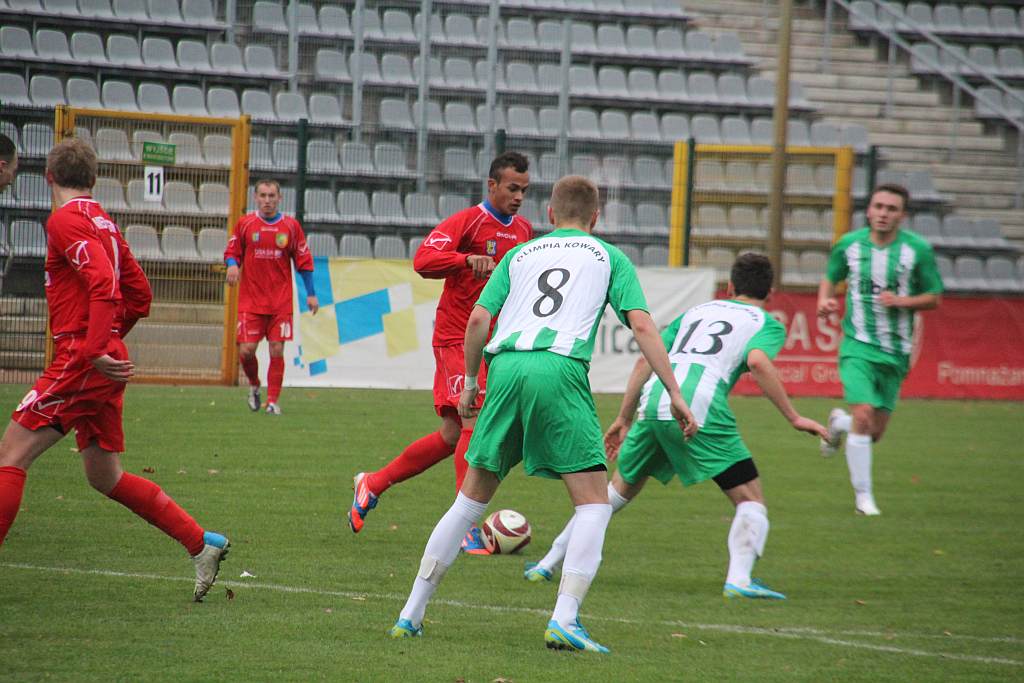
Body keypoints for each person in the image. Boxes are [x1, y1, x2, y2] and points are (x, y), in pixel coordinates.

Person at [388, 175, 697, 653]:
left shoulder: (520, 253)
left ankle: (410, 614)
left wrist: (470, 382)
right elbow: (641, 325)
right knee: (593, 504)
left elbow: (478, 319)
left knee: (469, 502)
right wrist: (673, 391)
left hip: (505, 368)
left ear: (549, 215)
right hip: (559, 368)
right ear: (596, 217)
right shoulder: (608, 256)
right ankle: (565, 619)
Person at [524, 253, 829, 601]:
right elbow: (758, 361)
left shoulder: (696, 312)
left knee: (613, 493)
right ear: (770, 293)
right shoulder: (766, 323)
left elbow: (645, 359)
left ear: (730, 287)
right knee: (751, 499)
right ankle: (740, 580)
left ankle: (547, 564)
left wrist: (624, 417)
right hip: (699, 407)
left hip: (655, 401)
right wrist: (794, 417)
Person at [0, 138, 229, 601]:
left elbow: (103, 282)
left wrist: (93, 347)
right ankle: (200, 542)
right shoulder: (104, 222)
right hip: (101, 358)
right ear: (94, 178)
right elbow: (139, 294)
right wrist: (109, 341)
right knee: (104, 476)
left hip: (82, 358)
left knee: (10, 457)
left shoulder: (64, 220)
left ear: (48, 177)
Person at [347, 152, 533, 554]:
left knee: (452, 435)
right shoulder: (468, 222)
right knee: (472, 424)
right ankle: (464, 527)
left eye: (524, 190)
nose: (519, 197)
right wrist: (465, 260)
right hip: (456, 338)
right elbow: (424, 260)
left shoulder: (523, 231)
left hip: (493, 343)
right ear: (492, 186)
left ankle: (373, 483)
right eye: (512, 188)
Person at [816, 184, 943, 516]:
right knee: (864, 416)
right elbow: (830, 277)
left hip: (896, 352)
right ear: (869, 210)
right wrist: (824, 301)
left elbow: (934, 297)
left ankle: (837, 424)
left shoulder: (917, 250)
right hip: (857, 346)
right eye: (879, 206)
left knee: (872, 433)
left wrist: (902, 301)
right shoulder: (849, 245)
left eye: (891, 208)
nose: (883, 213)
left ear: (902, 215)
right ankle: (864, 499)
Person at [224, 179, 318, 415]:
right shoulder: (246, 224)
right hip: (251, 301)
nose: (267, 200)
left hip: (280, 302)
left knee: (277, 349)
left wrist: (311, 294)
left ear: (279, 198)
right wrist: (232, 265)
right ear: (255, 198)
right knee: (246, 350)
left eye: (272, 196)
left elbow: (304, 261)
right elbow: (232, 251)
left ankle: (273, 401)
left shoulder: (291, 227)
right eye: (263, 196)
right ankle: (255, 385)